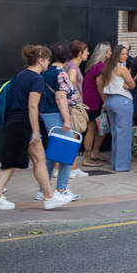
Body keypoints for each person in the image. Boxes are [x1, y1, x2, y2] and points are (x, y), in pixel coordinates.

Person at [0, 46, 75, 212]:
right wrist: (35, 131)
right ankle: (48, 197)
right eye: (47, 59)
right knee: (36, 160)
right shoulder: (36, 79)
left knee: (15, 161)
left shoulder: (20, 75)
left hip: (14, 122)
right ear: (40, 60)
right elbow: (32, 107)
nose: (49, 62)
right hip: (26, 123)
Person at [41, 44, 79, 200]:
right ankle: (62, 188)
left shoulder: (43, 72)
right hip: (57, 115)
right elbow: (60, 97)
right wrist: (67, 119)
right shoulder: (60, 73)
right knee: (67, 151)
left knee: (51, 153)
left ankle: (43, 189)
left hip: (45, 114)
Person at [99, 45, 136, 171]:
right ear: (117, 55)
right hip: (122, 101)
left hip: (110, 100)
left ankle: (115, 163)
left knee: (115, 133)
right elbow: (132, 83)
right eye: (123, 54)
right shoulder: (121, 68)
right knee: (124, 134)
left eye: (126, 53)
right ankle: (122, 166)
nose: (126, 56)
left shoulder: (107, 68)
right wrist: (128, 84)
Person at [80, 42, 109, 166]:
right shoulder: (101, 66)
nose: (111, 53)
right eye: (109, 51)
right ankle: (87, 158)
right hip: (94, 101)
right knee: (92, 129)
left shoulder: (93, 65)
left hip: (90, 99)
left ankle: (94, 152)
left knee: (101, 127)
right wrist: (105, 101)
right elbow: (99, 84)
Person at [64, 40, 89, 179]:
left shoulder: (69, 64)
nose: (88, 53)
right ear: (79, 53)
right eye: (86, 51)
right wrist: (73, 94)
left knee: (71, 136)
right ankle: (72, 169)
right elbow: (72, 80)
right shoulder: (73, 65)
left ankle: (71, 168)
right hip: (74, 106)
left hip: (71, 105)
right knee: (73, 137)